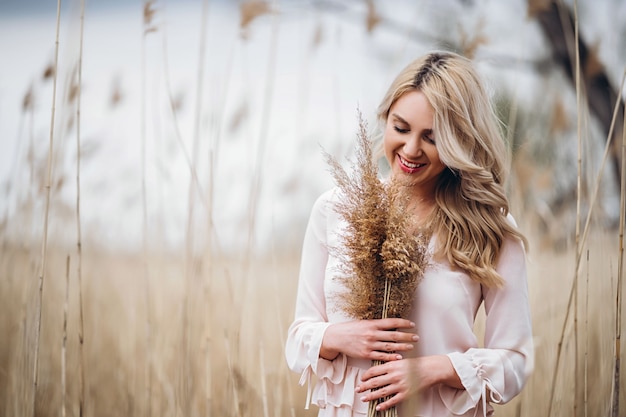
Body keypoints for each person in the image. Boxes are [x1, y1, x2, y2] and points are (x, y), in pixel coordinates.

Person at [285, 51, 534, 417]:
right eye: (400, 128)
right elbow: (298, 338)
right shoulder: (334, 209)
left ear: (459, 141)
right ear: (385, 118)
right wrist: (340, 336)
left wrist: (432, 369)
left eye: (432, 138)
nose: (411, 149)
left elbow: (515, 363)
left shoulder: (491, 229)